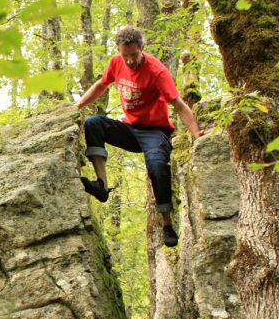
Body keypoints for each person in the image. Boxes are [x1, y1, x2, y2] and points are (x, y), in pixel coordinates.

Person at [76, 26, 203, 247]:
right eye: (125, 55)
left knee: (156, 165)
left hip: (155, 131)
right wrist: (77, 106)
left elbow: (179, 105)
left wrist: (197, 134)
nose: (129, 61)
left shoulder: (157, 71)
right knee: (93, 123)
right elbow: (100, 86)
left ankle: (166, 224)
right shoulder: (116, 62)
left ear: (142, 49)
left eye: (133, 55)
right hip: (130, 129)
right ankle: (102, 186)